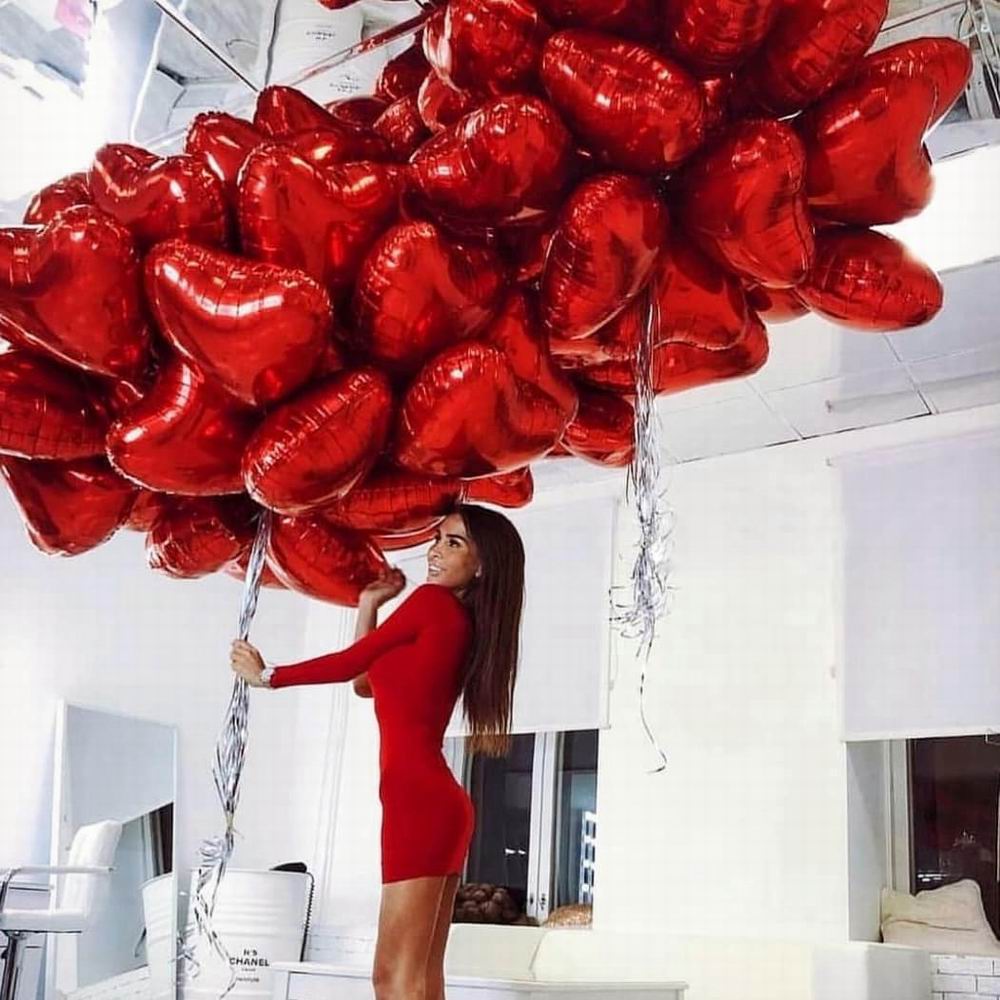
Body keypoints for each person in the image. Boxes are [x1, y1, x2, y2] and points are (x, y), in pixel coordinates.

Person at [230, 504, 525, 1000]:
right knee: (420, 978)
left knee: (392, 978)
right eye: (438, 538)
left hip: (418, 802)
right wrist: (369, 604)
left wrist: (268, 676)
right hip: (435, 803)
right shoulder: (460, 623)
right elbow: (366, 682)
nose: (435, 551)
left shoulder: (432, 604)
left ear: (482, 565)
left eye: (454, 543)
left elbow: (349, 663)